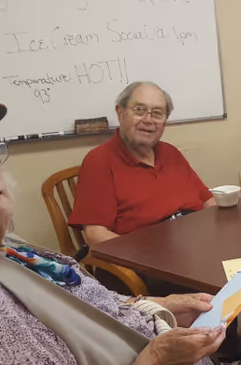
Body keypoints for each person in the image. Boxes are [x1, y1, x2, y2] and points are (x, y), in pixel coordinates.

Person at [0, 99, 241, 365]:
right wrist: (156, 358)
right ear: (120, 113)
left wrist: (160, 306)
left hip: (180, 354)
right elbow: (95, 239)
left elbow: (78, 303)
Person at [69, 82, 216, 246]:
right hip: (143, 262)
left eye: (158, 113)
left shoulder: (171, 153)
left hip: (195, 248)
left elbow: (208, 202)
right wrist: (148, 258)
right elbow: (96, 235)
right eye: (139, 110)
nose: (148, 120)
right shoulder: (99, 161)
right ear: (120, 113)